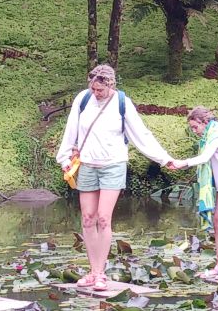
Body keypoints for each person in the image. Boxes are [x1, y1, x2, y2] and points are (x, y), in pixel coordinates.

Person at [56, 64, 173, 291]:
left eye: (99, 90)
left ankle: (100, 273)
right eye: (92, 88)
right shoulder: (83, 99)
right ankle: (92, 271)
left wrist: (163, 158)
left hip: (113, 165)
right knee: (87, 218)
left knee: (102, 218)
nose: (95, 93)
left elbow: (141, 135)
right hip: (88, 164)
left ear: (110, 85)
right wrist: (65, 159)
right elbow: (71, 130)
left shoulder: (122, 103)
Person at [169, 107, 218, 280]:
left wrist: (182, 163)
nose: (194, 131)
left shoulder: (216, 135)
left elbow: (204, 158)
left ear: (204, 122)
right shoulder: (208, 137)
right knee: (217, 222)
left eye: (195, 127)